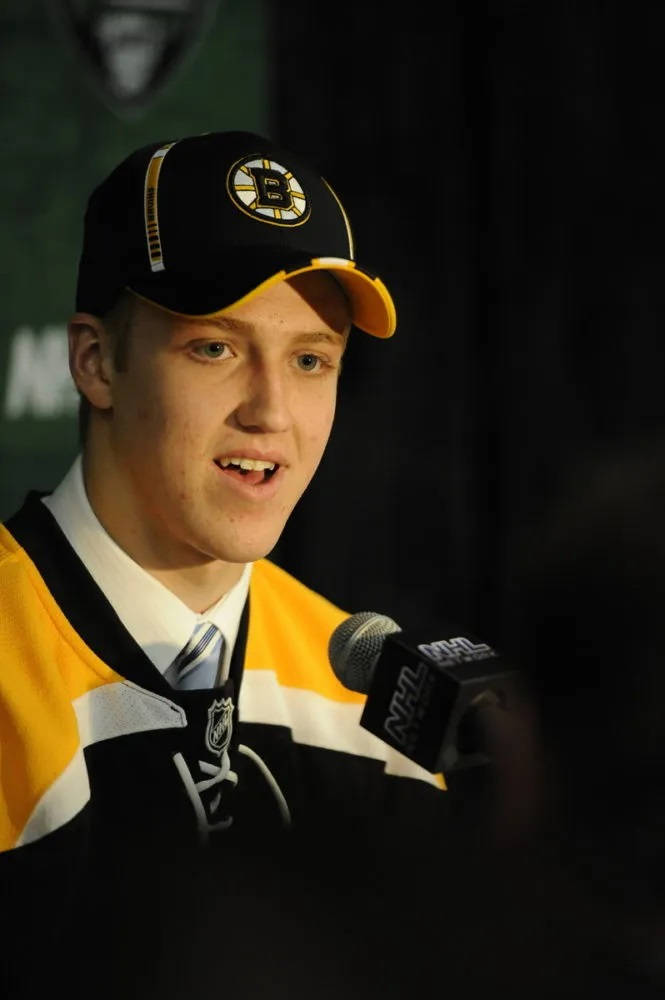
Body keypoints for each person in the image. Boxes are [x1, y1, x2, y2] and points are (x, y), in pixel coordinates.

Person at [0, 129, 450, 997]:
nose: (271, 413)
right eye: (216, 348)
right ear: (96, 362)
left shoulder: (372, 701)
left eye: (311, 360)